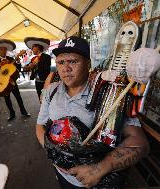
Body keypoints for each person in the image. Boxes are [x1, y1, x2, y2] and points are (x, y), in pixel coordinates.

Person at [36, 36, 151, 188]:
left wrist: (99, 169)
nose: (66, 68)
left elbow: (140, 143)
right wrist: (53, 152)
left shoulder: (109, 94)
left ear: (88, 64)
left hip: (96, 181)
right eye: (61, 62)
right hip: (62, 174)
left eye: (73, 61)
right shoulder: (52, 90)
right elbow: (40, 125)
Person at [0, 39, 30, 121]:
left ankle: (23, 112)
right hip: (2, 83)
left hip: (11, 82)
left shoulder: (11, 59)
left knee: (18, 97)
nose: (3, 51)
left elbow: (18, 69)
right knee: (7, 99)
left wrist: (17, 61)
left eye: (5, 49)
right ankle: (12, 114)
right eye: (1, 49)